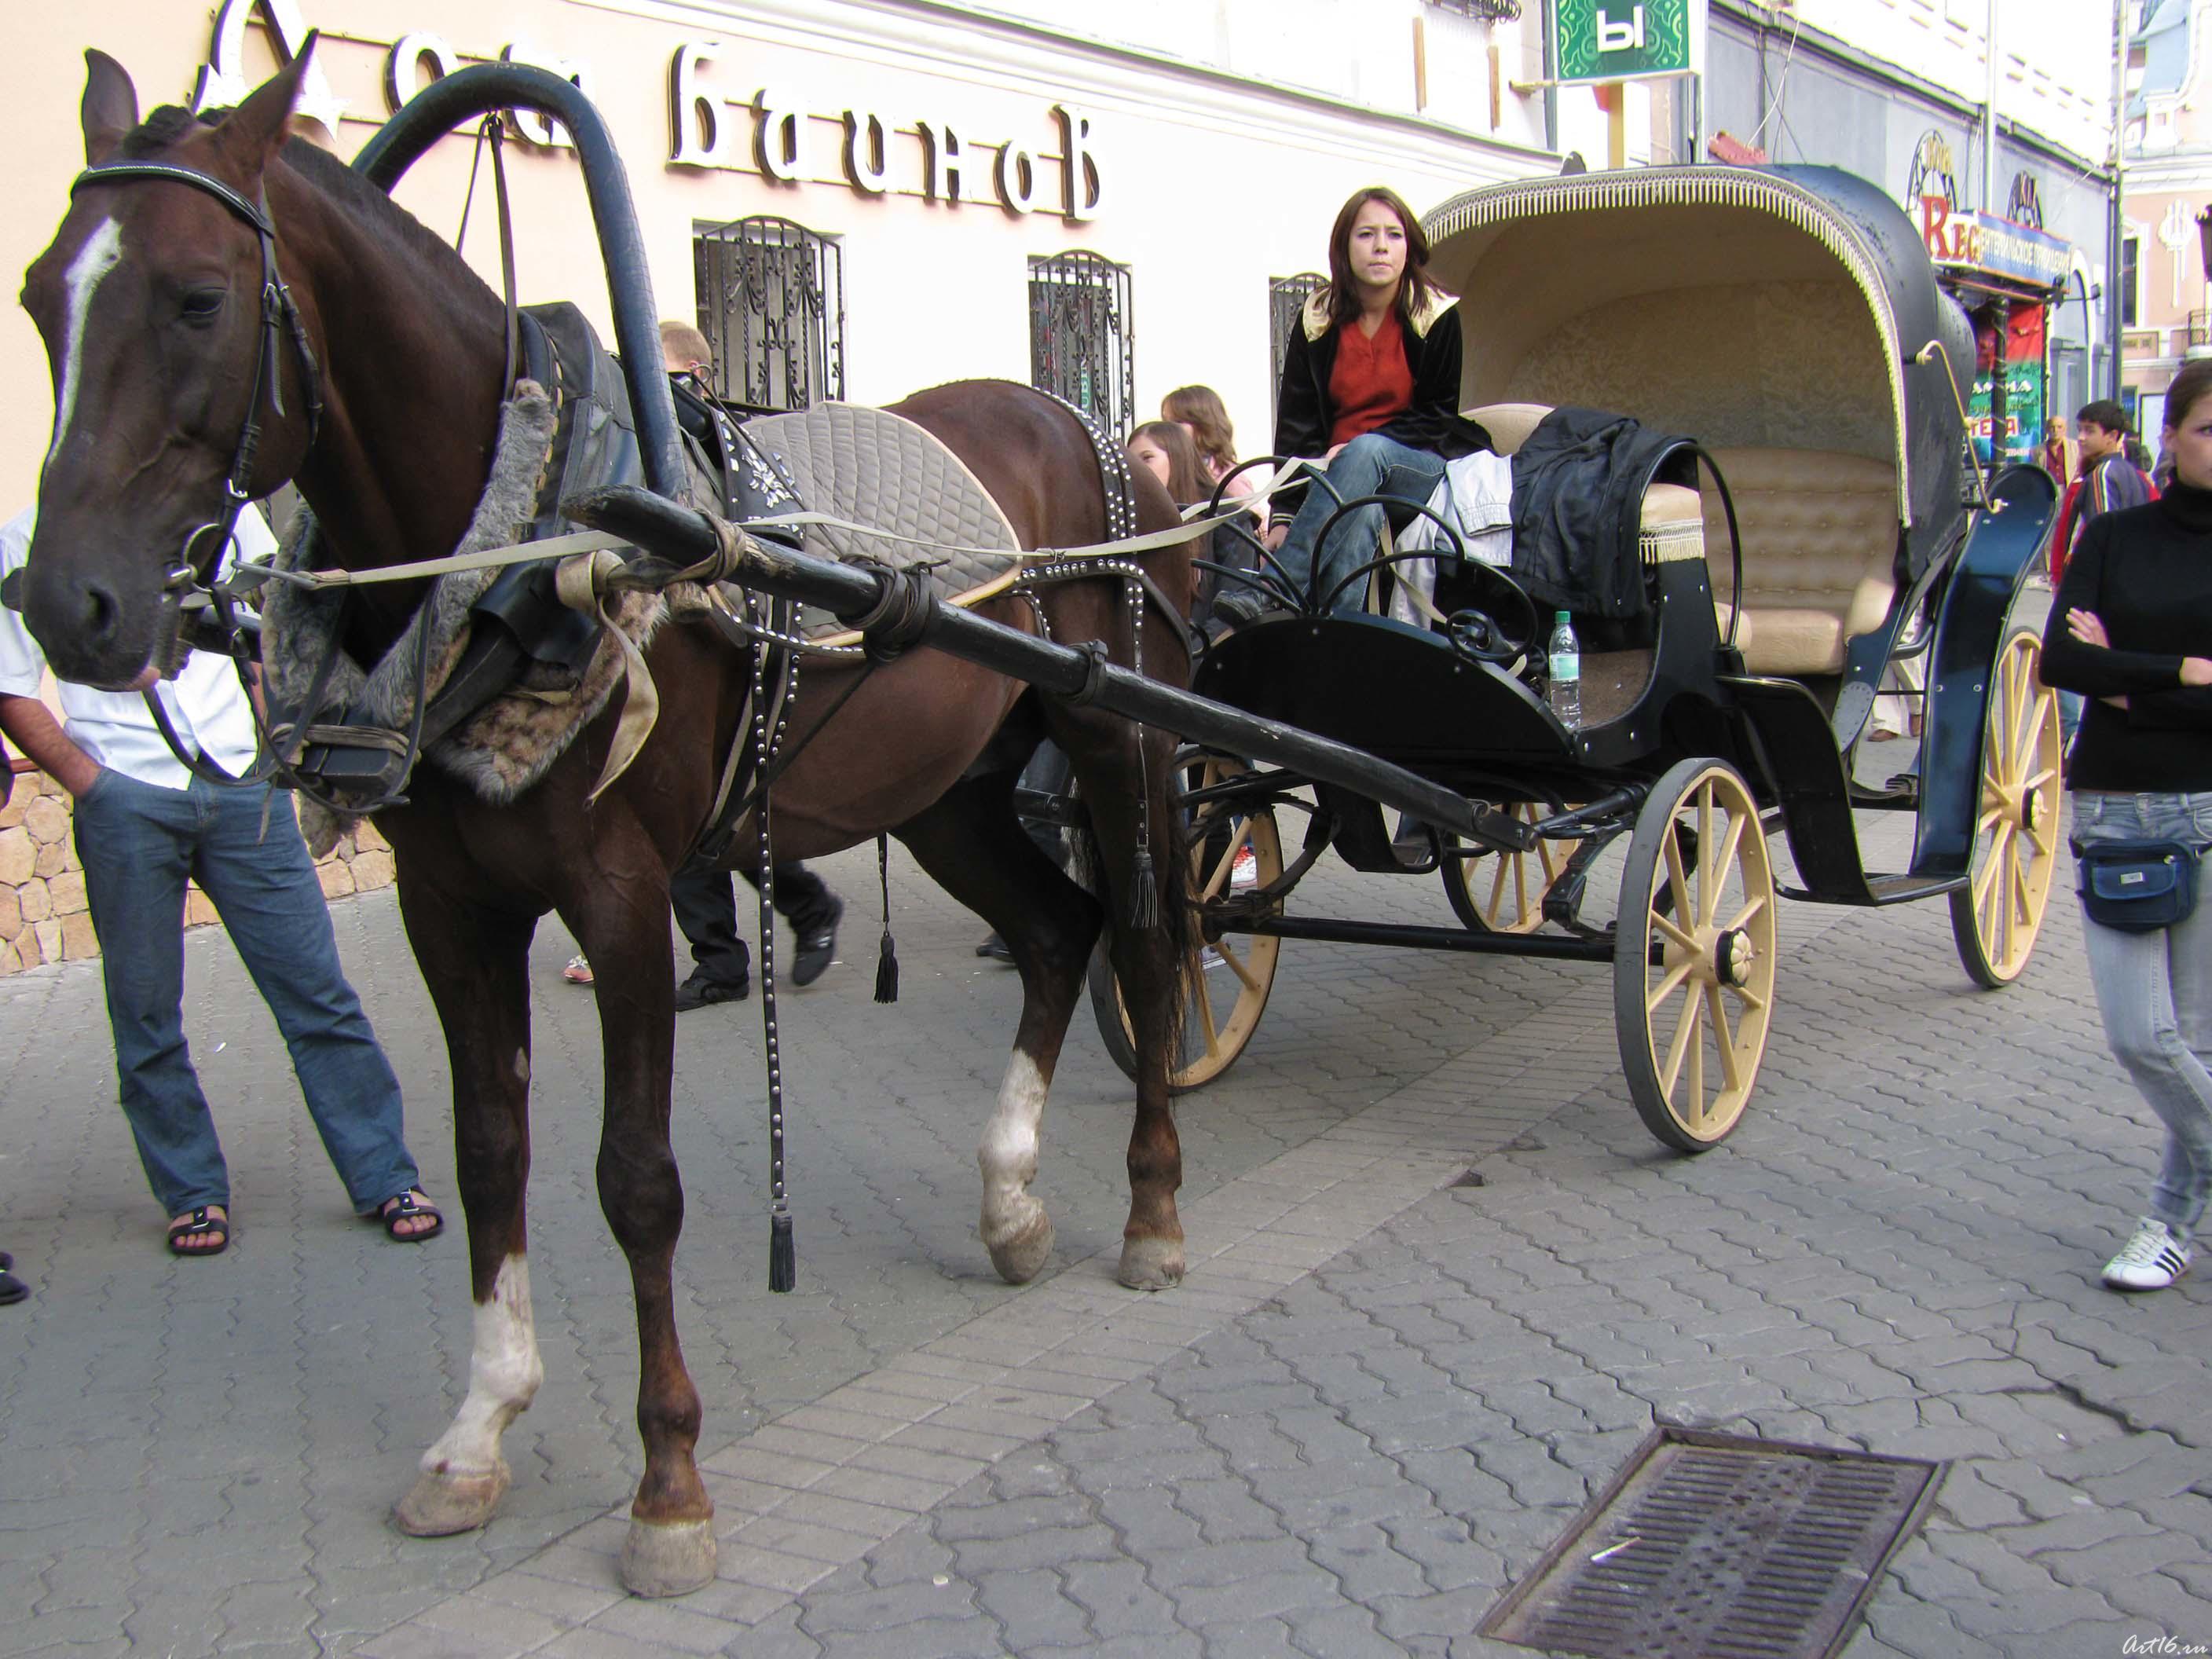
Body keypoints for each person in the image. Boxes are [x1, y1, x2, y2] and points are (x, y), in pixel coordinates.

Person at [0, 505, 440, 1257]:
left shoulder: (220, 511)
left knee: (319, 996)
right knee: (145, 1015)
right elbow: (9, 685)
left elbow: (271, 624)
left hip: (244, 783)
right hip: (129, 795)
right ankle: (192, 1190)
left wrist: (277, 747)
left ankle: (382, 1172)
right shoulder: (26, 537)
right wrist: (94, 786)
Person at [565, 321, 845, 1009]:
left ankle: (793, 917)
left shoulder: (712, 438)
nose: (646, 391)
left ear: (694, 374)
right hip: (657, 644)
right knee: (695, 825)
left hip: (723, 644)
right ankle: (726, 958)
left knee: (712, 819)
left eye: (660, 376)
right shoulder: (632, 438)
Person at [2038, 356, 2212, 1292]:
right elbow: (2059, 663)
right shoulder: (2114, 537)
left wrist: (2129, 677)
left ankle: (2166, 1225)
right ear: (2173, 434)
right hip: (2114, 804)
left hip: (2209, 804)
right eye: (2208, 428)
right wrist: (2183, 673)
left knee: (2198, 1036)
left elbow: (2100, 668)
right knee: (2140, 1037)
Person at [1223, 186, 1485, 621]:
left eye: (1394, 235)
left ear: (1409, 247)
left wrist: (1363, 447)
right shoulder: (1317, 319)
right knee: (1361, 516)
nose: (1381, 246)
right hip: (1335, 480)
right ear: (1344, 247)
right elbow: (1297, 426)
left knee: (1367, 451)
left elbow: (1437, 418)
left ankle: (1274, 585)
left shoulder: (1437, 315)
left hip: (1417, 467)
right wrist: (1285, 514)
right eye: (1366, 234)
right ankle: (1341, 646)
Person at [2051, 401, 2159, 750]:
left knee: (2064, 654)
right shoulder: (2135, 474)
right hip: (2134, 579)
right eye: (2080, 430)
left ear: (2113, 436)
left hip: (2104, 584)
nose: (2080, 438)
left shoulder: (2102, 475)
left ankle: (2074, 735)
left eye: (2089, 431)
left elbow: (2103, 531)